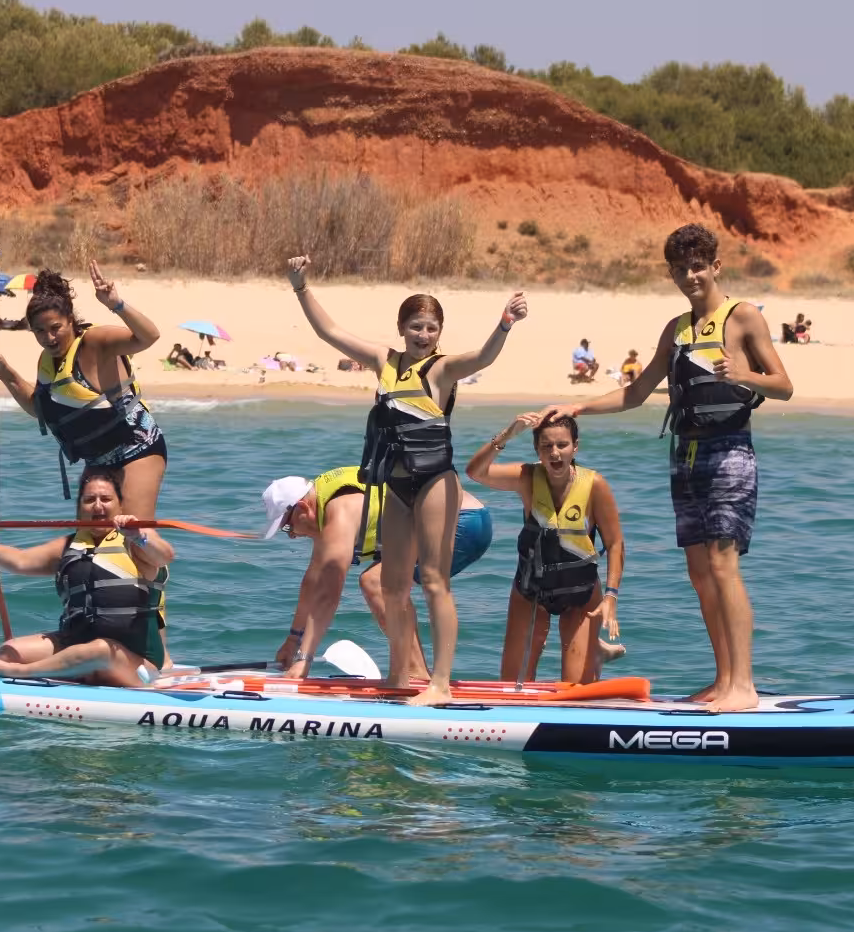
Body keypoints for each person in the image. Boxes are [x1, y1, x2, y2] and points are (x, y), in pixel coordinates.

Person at [539, 223, 793, 712]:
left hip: (729, 453)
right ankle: (722, 680)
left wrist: (742, 374)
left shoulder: (742, 319)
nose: (690, 276)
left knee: (723, 565)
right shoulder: (675, 330)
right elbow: (635, 393)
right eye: (681, 269)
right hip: (686, 456)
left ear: (716, 267)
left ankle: (744, 684)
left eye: (698, 266)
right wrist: (580, 408)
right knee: (700, 573)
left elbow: (783, 384)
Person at [287, 253, 528, 705]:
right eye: (416, 326)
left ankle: (440, 683)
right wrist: (301, 287)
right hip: (394, 486)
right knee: (393, 585)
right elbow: (330, 332)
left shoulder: (442, 369)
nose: (423, 335)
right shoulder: (384, 361)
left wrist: (504, 324)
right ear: (402, 328)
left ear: (440, 333)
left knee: (435, 581)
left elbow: (483, 356)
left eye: (431, 328)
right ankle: (399, 676)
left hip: (436, 482)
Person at [260, 468, 493, 680]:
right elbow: (313, 583)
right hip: (463, 518)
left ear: (302, 507)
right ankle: (418, 671)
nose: (291, 536)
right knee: (378, 581)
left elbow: (328, 594)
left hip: (464, 523)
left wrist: (304, 660)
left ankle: (416, 672)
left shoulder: (340, 511)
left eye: (288, 527)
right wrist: (293, 640)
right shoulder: (325, 505)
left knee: (375, 582)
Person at [0, 465, 172, 685]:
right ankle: (69, 668)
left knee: (99, 651)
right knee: (10, 652)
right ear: (79, 508)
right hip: (76, 642)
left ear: (120, 505)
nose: (98, 506)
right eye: (89, 500)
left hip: (134, 661)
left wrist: (139, 536)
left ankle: (20, 672)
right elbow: (20, 561)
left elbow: (163, 556)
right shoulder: (69, 545)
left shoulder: (137, 539)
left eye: (106, 499)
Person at [0, 262, 164, 515]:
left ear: (70, 320)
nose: (49, 338)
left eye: (56, 328)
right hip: (97, 461)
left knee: (131, 534)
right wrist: (4, 372)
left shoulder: (95, 342)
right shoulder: (47, 363)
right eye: (40, 331)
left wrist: (116, 304)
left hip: (137, 449)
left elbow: (149, 336)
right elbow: (39, 408)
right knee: (86, 544)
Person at [465, 413, 626, 683]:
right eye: (546, 446)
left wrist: (611, 595)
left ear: (576, 446)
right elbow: (475, 472)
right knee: (512, 687)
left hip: (581, 594)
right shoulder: (527, 477)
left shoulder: (594, 485)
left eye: (562, 445)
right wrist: (507, 434)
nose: (554, 453)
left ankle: (591, 650)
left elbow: (615, 543)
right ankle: (592, 649)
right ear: (537, 450)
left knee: (575, 695)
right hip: (531, 592)